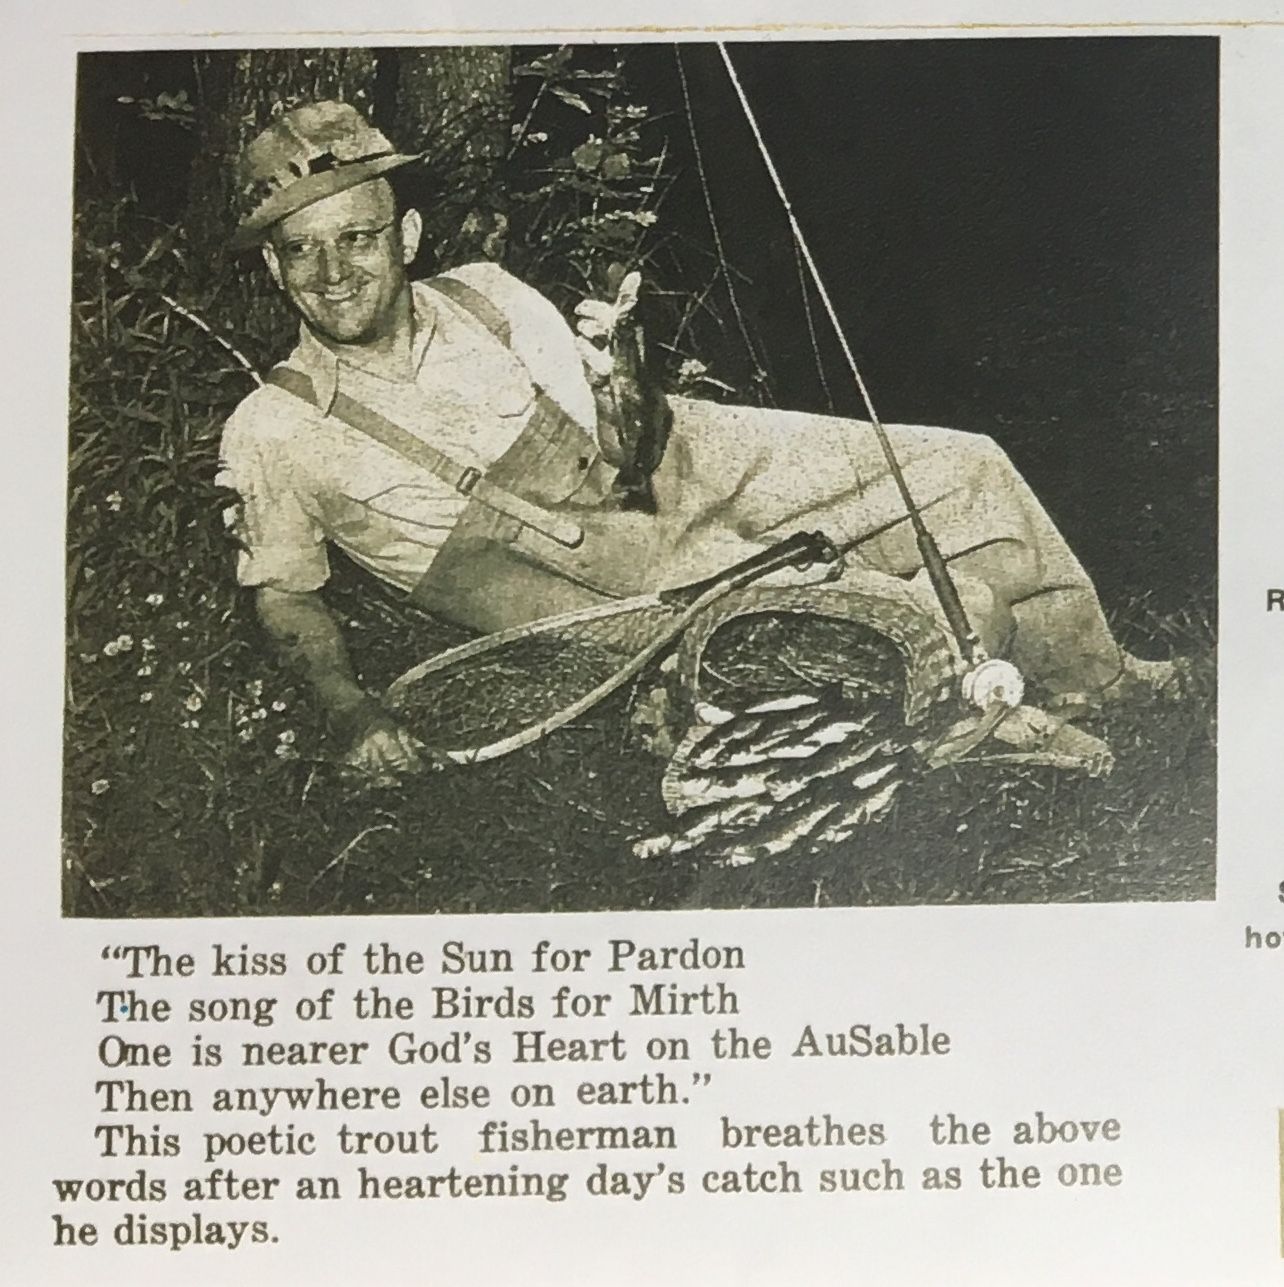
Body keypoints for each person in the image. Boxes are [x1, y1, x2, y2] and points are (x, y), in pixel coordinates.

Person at [219, 101, 1174, 782]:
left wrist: (622, 379)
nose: (332, 272)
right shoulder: (277, 428)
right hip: (573, 571)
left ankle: (1103, 675)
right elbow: (285, 597)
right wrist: (351, 709)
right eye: (300, 249)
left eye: (357, 238)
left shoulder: (487, 292)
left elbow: (623, 437)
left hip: (667, 463)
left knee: (962, 467)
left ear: (407, 233)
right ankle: (994, 703)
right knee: (925, 607)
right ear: (272, 265)